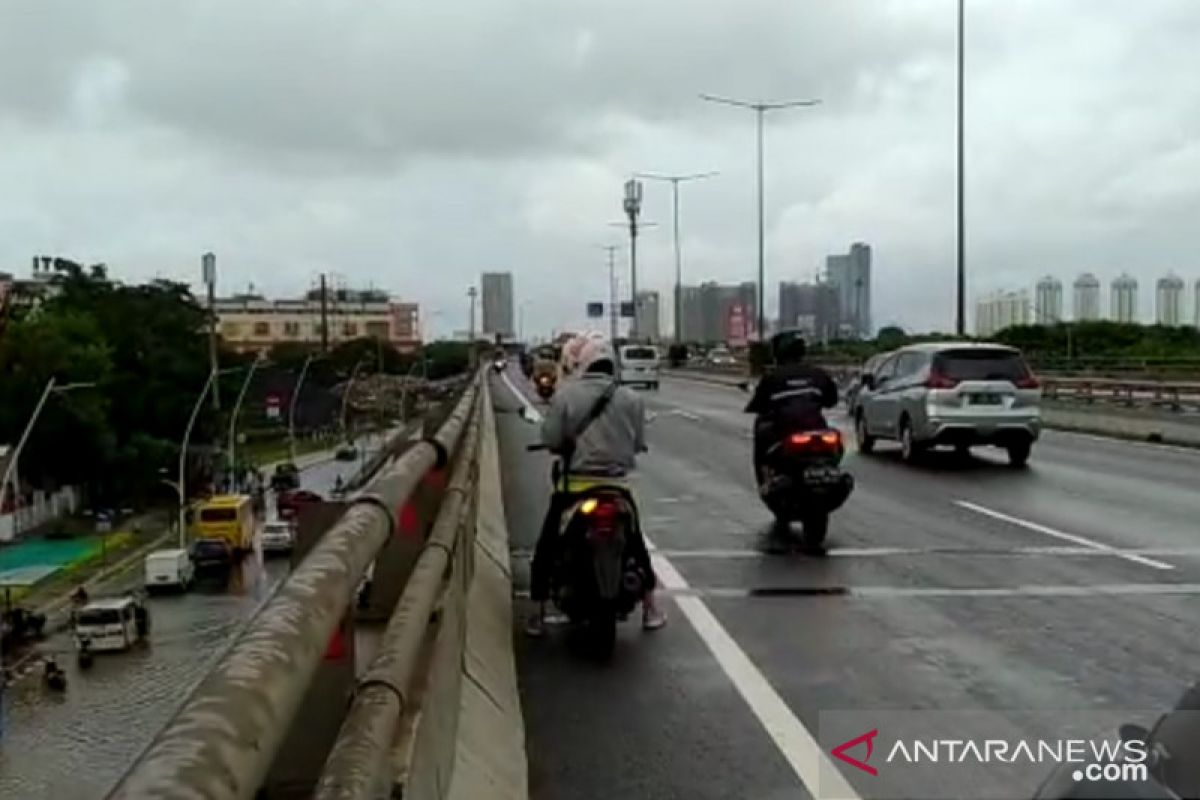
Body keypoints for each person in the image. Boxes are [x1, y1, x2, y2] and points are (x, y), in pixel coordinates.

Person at [526, 336, 666, 637]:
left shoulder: (566, 396)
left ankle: (537, 612)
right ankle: (651, 608)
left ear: (581, 364)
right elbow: (640, 443)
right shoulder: (631, 398)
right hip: (616, 488)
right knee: (635, 543)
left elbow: (551, 439)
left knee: (548, 545)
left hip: (574, 488)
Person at [743, 331, 839, 484]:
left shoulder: (772, 378)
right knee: (834, 437)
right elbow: (832, 401)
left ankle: (764, 479)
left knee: (761, 429)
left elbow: (758, 405)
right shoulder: (819, 374)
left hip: (785, 431)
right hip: (816, 428)